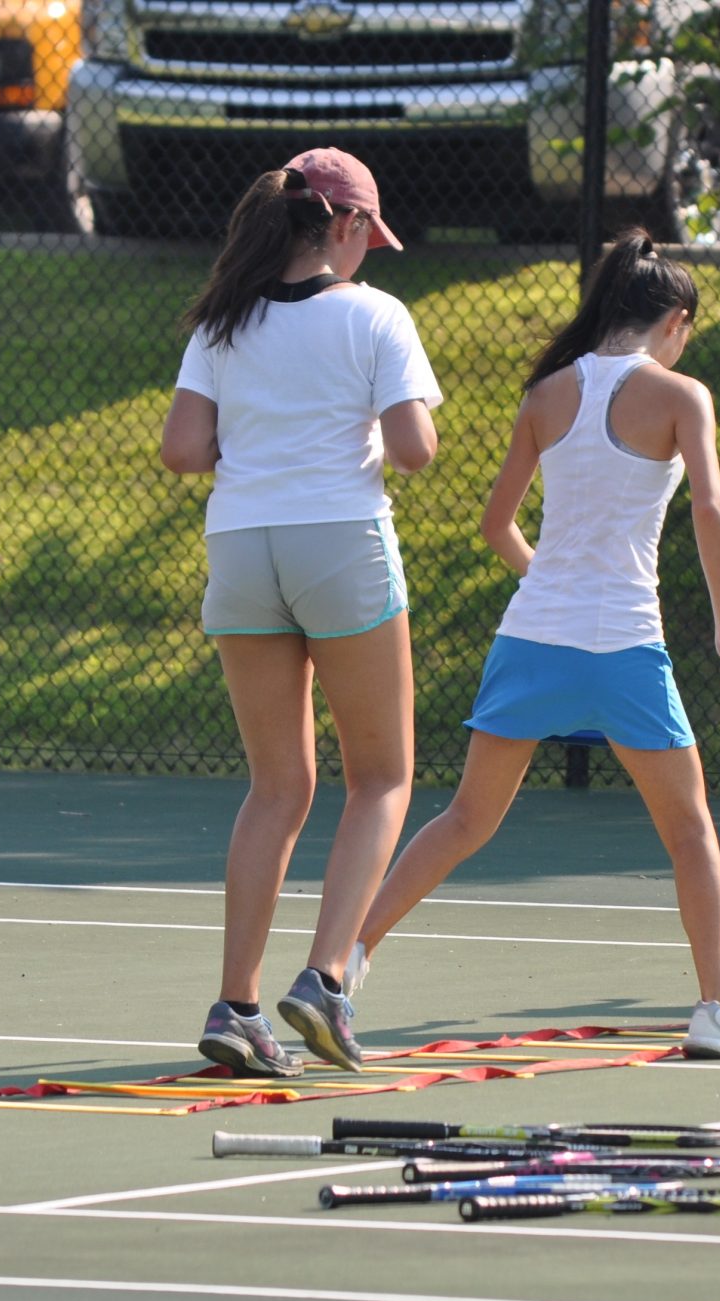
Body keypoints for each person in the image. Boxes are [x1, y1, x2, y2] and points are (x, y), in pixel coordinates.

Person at [346, 231, 720, 1059]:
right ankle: (717, 1007)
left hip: (532, 637)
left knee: (465, 819)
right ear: (676, 320)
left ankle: (337, 969)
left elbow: (495, 525)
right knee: (689, 831)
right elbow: (711, 509)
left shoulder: (547, 394)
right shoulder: (684, 396)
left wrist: (550, 579)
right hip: (622, 643)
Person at [157, 148, 441, 1074]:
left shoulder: (222, 322)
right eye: (370, 236)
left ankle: (237, 1005)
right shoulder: (377, 316)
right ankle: (324, 981)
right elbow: (415, 452)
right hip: (339, 546)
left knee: (278, 788)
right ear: (348, 228)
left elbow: (183, 450)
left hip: (241, 551)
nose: (371, 254)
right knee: (382, 778)